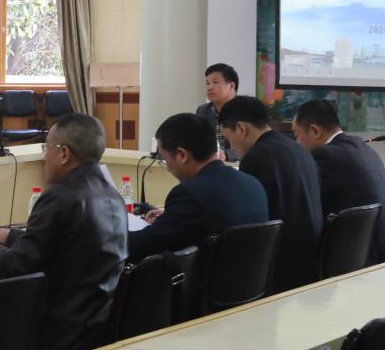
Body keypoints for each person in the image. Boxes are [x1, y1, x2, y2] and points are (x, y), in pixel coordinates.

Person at [0, 113, 127, 350]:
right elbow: (67, 246)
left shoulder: (60, 196)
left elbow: (17, 267)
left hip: (56, 336)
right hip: (97, 328)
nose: (43, 157)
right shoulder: (112, 193)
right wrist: (12, 236)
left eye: (46, 148)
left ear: (64, 154)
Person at [128, 113, 268, 262]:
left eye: (164, 159)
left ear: (182, 155)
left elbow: (143, 246)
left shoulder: (189, 194)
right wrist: (167, 221)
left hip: (202, 275)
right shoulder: (252, 184)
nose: (167, 168)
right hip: (247, 275)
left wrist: (113, 235)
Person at [219, 96, 323, 292]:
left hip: (278, 267)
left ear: (241, 128)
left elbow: (249, 221)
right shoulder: (299, 149)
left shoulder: (256, 157)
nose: (230, 147)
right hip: (310, 258)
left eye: (228, 138)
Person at [293, 99, 385, 263]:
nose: (295, 143)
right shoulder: (363, 148)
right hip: (382, 253)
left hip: (354, 260)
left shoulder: (326, 156)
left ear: (315, 131)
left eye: (296, 135)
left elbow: (303, 204)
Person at [196, 63, 239, 159]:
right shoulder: (202, 110)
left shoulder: (247, 109)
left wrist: (226, 154)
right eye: (207, 83)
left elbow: (253, 145)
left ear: (231, 86)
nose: (209, 87)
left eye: (215, 82)